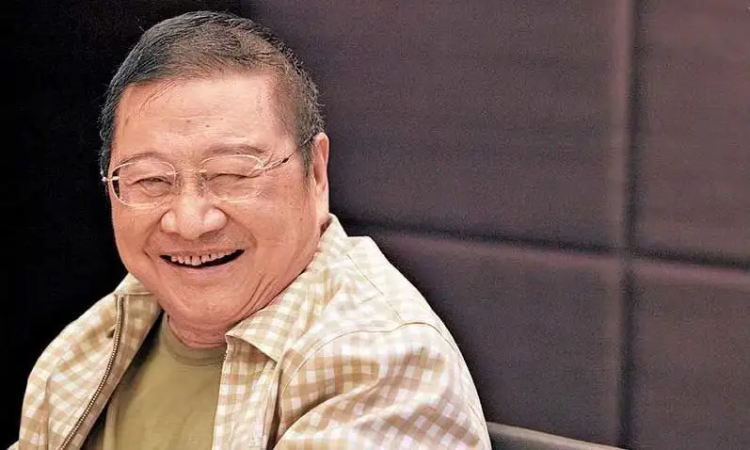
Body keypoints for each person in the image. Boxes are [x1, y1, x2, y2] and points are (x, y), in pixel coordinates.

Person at [14, 10, 490, 449]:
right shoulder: (93, 340)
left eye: (232, 174)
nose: (190, 222)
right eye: (151, 180)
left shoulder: (383, 361)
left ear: (316, 173)